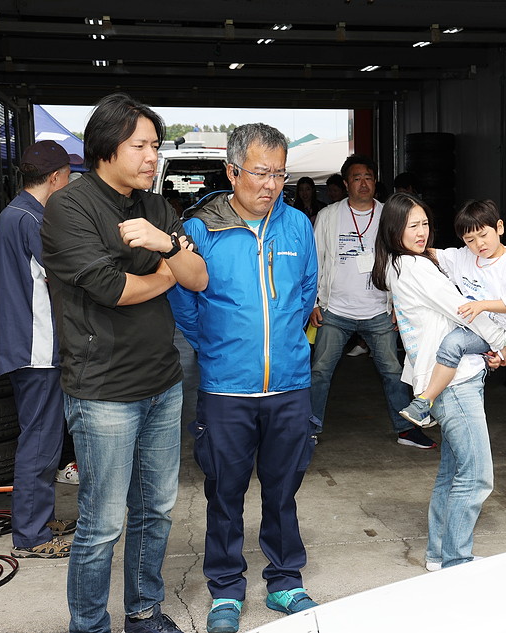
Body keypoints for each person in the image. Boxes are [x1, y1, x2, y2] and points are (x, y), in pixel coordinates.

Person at [41, 93, 208, 633]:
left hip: (163, 382)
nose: (152, 157)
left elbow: (199, 278)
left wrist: (167, 246)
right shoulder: (70, 207)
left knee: (155, 510)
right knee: (103, 522)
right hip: (103, 390)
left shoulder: (157, 208)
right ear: (105, 147)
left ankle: (143, 612)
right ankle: (89, 624)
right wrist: (166, 271)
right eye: (140, 146)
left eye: (155, 145)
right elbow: (111, 289)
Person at [167, 123, 319, 633]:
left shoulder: (297, 226)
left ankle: (285, 580)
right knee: (225, 493)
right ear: (232, 171)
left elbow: (305, 293)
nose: (271, 184)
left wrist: (285, 343)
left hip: (290, 384)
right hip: (226, 387)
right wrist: (217, 346)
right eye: (260, 172)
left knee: (283, 490)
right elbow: (184, 302)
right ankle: (226, 588)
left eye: (280, 173)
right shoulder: (200, 229)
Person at [371, 192, 506, 569]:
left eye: (424, 224)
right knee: (476, 475)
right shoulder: (416, 267)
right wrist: (501, 341)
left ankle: (438, 554)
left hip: (445, 378)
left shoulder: (398, 265)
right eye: (411, 226)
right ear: (394, 230)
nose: (421, 232)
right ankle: (456, 561)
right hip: (455, 382)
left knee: (453, 472)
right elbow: (463, 309)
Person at [310, 155, 436, 448]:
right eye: (356, 178)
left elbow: (403, 259)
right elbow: (314, 260)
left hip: (379, 310)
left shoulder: (388, 214)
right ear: (346, 184)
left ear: (375, 181)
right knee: (319, 371)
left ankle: (406, 430)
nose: (363, 183)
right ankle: (308, 429)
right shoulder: (328, 215)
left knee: (393, 371)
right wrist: (314, 302)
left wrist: (399, 305)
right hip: (335, 310)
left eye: (368, 177)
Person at [0, 139, 81, 558]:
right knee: (41, 443)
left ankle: (38, 520)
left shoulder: (15, 212)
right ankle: (31, 535)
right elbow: (66, 271)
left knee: (41, 438)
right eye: (69, 176)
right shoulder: (34, 219)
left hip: (24, 344)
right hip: (37, 348)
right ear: (55, 177)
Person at [400, 199, 506, 427]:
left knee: (452, 344)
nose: (479, 244)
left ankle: (424, 401)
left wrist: (482, 305)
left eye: (483, 235)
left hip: (494, 328)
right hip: (474, 324)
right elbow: (435, 255)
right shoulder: (467, 256)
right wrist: (400, 249)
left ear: (499, 228)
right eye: (470, 240)